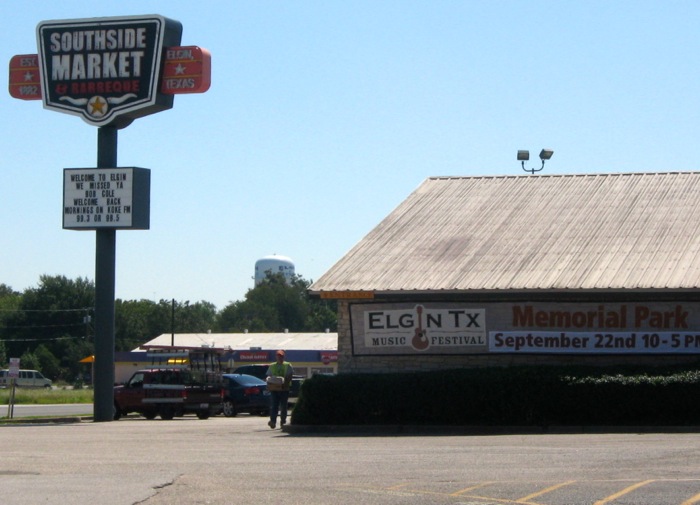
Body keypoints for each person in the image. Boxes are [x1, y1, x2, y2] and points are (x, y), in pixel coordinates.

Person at [266, 350, 294, 429]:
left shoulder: (287, 365)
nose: (279, 357)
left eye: (281, 356)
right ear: (276, 357)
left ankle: (283, 422)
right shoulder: (272, 365)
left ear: (283, 357)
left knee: (283, 406)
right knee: (274, 405)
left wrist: (284, 385)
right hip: (274, 389)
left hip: (284, 389)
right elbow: (268, 376)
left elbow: (290, 376)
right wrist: (269, 382)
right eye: (278, 356)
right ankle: (273, 421)